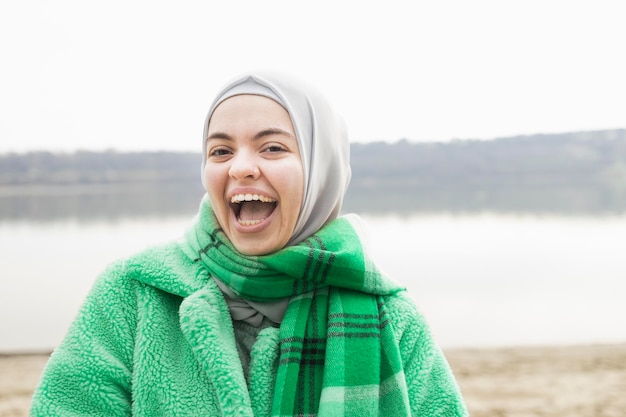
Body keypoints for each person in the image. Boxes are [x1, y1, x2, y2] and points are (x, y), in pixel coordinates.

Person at [30, 72, 468, 416]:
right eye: (220, 151)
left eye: (272, 148)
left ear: (321, 171)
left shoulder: (389, 314)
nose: (240, 167)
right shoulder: (134, 293)